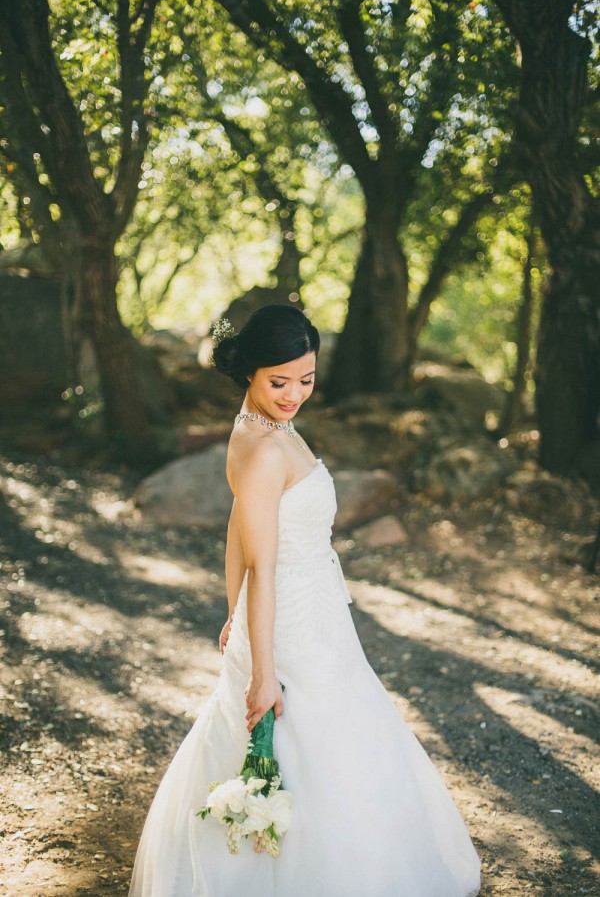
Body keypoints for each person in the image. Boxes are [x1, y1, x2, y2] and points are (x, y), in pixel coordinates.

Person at [128, 304, 481, 897]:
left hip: (312, 610)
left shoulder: (262, 425)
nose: (294, 394)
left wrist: (233, 610)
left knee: (339, 738)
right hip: (290, 624)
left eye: (306, 380)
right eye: (280, 381)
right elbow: (261, 562)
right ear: (250, 372)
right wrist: (262, 670)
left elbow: (238, 530)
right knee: (312, 745)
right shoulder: (263, 447)